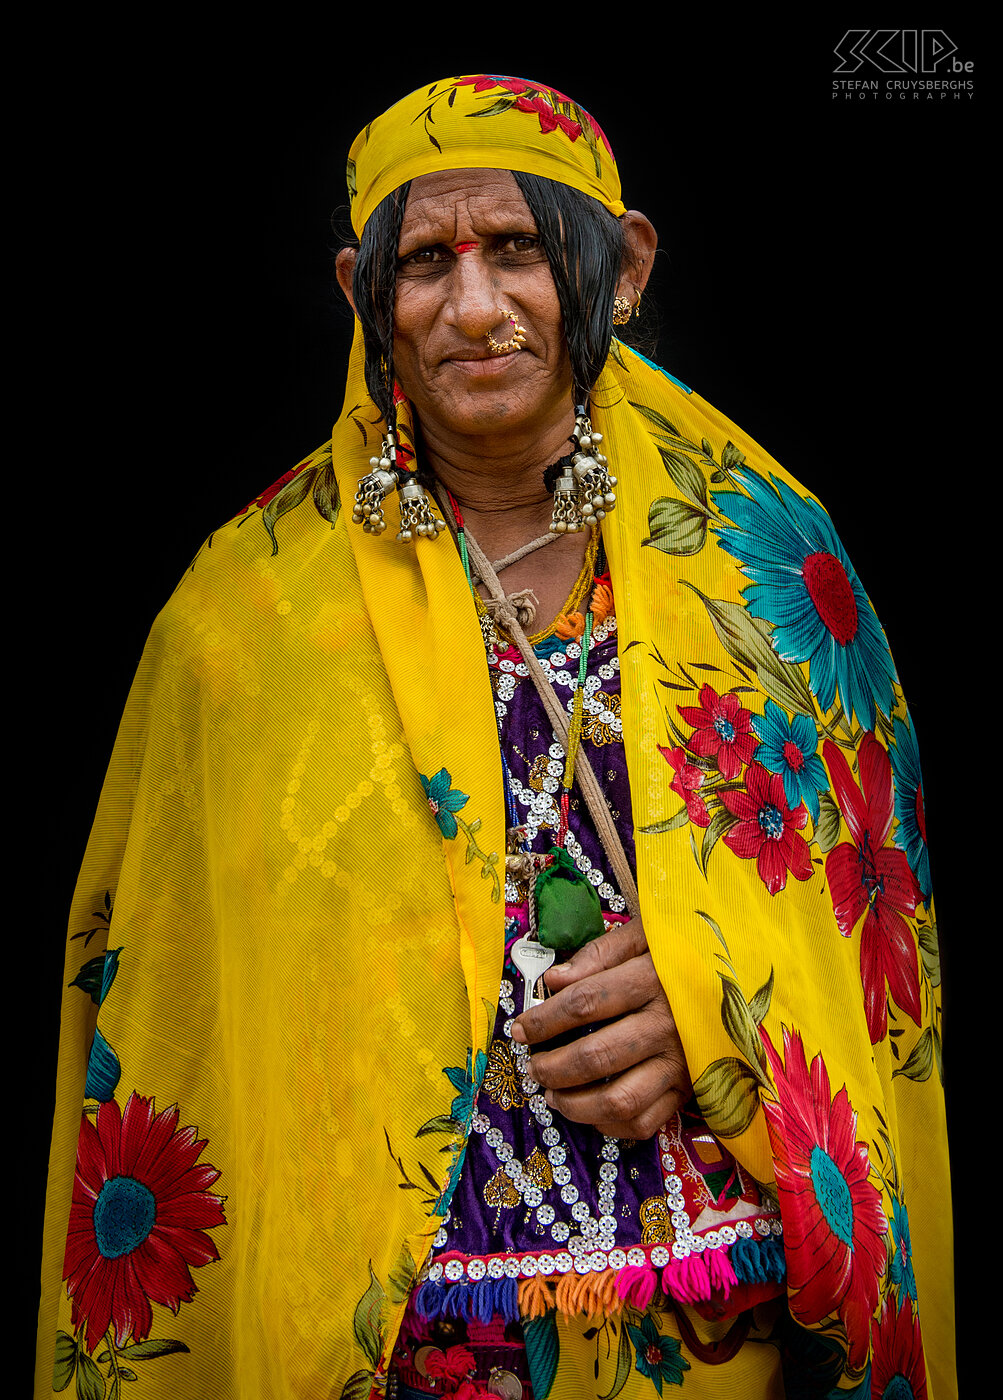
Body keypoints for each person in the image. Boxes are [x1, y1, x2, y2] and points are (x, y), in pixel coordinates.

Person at [35, 75, 954, 1399]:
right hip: (399, 1343)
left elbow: (870, 942)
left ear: (622, 268)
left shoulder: (768, 569)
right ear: (364, 293)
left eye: (520, 249)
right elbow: (186, 998)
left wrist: (709, 1020)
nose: (474, 309)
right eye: (424, 262)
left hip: (727, 1319)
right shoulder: (243, 619)